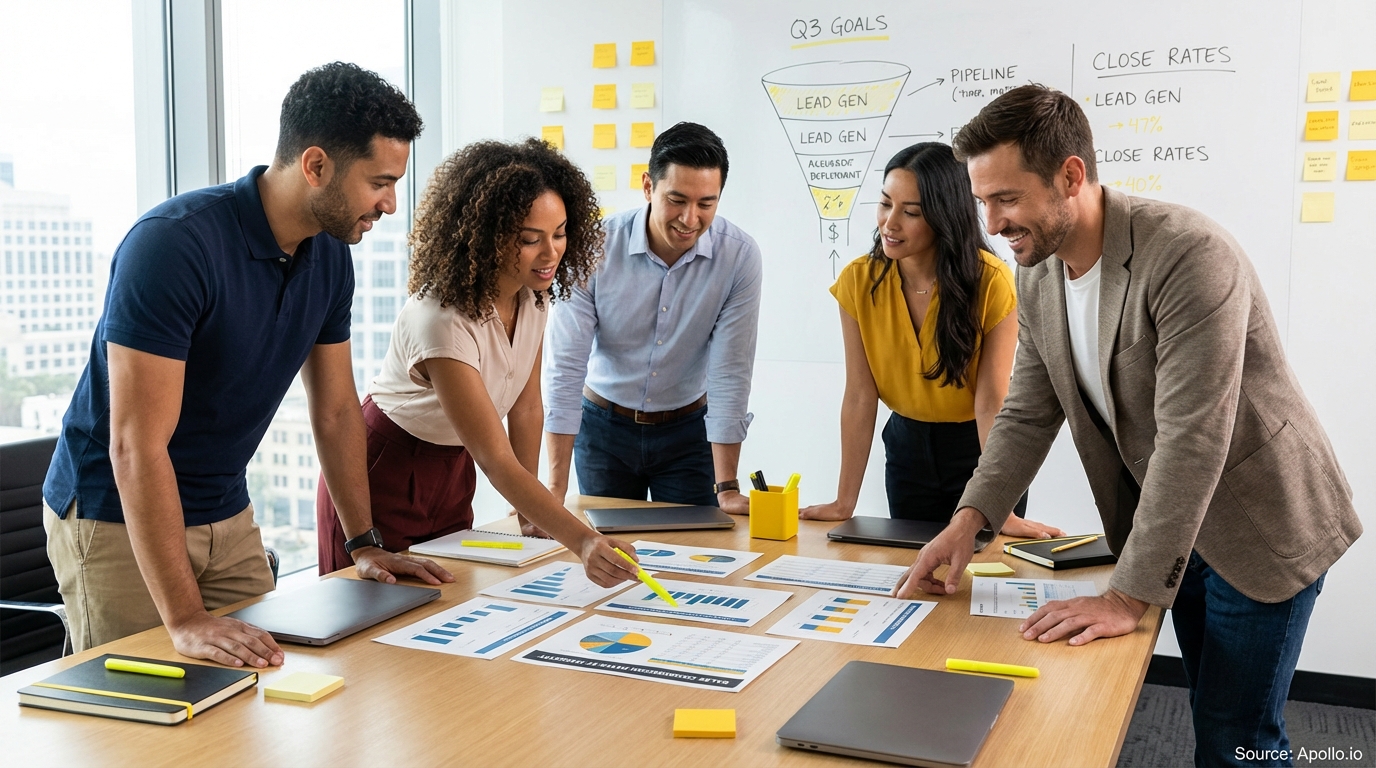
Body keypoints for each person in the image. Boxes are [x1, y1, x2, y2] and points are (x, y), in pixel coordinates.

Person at [895, 85, 1360, 767]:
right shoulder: (1037, 273)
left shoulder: (1189, 255)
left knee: (1238, 738)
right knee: (1212, 714)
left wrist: (1127, 597)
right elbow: (1026, 412)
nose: (991, 224)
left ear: (1071, 177)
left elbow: (1191, 438)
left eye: (1006, 199)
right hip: (1177, 525)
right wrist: (969, 523)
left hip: (1260, 523)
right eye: (982, 202)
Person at [42, 62, 453, 670]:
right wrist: (182, 620)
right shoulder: (174, 246)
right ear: (316, 166)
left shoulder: (332, 258)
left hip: (226, 512)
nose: (391, 203)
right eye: (380, 182)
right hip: (117, 519)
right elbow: (135, 444)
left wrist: (365, 545)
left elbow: (338, 410)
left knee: (264, 689)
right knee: (150, 715)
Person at [317, 139, 640, 588]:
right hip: (384, 468)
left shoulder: (535, 297)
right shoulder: (442, 318)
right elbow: (494, 456)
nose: (551, 254)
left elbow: (526, 408)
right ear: (487, 236)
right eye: (530, 239)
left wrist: (532, 511)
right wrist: (582, 540)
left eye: (561, 233)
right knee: (374, 620)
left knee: (448, 604)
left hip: (454, 467)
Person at [799, 142, 1062, 540]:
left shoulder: (990, 281)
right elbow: (859, 394)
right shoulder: (859, 280)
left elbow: (991, 401)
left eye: (911, 212)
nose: (890, 223)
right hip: (906, 449)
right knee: (915, 572)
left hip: (977, 453)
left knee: (979, 577)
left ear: (944, 216)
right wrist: (843, 501)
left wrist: (1000, 506)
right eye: (886, 204)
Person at [543, 122, 761, 514]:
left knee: (694, 557)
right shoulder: (593, 247)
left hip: (688, 433)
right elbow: (566, 365)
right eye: (676, 200)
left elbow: (731, 370)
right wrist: (553, 488)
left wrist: (726, 486)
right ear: (648, 187)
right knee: (606, 559)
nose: (690, 218)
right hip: (603, 427)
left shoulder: (739, 257)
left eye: (706, 203)